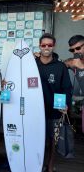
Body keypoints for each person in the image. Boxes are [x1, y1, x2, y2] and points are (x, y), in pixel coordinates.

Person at [35, 33, 72, 172]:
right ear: (40, 46)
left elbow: (67, 88)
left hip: (54, 110)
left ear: (53, 46)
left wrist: (66, 104)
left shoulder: (60, 66)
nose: (46, 47)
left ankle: (50, 165)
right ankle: (37, 163)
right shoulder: (32, 64)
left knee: (52, 141)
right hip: (35, 111)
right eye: (43, 45)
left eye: (49, 45)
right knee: (37, 139)